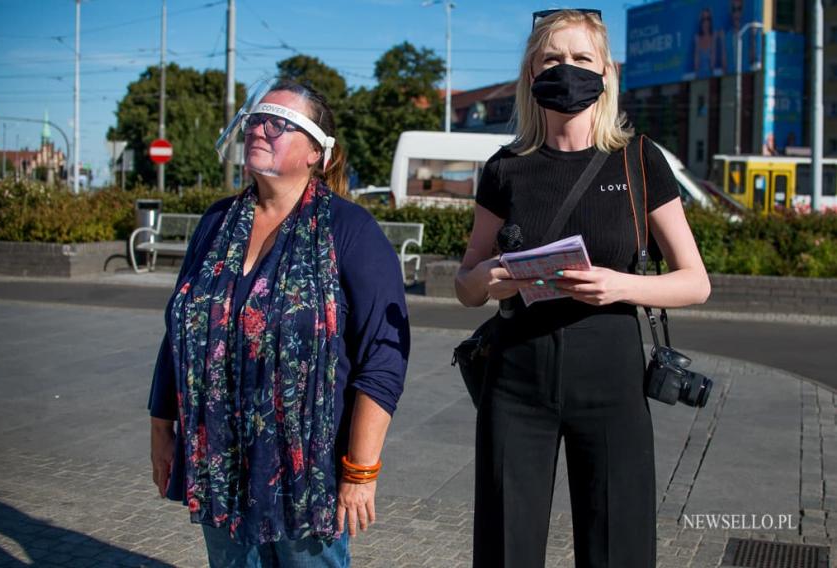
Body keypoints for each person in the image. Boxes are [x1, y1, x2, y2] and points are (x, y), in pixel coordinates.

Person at [455, 10, 711, 568]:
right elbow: (466, 284)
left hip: (611, 379)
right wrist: (487, 280)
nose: (565, 70)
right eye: (551, 59)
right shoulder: (505, 168)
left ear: (606, 72)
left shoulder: (640, 160)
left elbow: (696, 282)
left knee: (618, 545)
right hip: (517, 380)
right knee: (506, 546)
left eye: (580, 59)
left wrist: (620, 285)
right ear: (530, 72)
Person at [148, 79, 410, 568]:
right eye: (256, 118)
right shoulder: (216, 222)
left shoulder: (350, 231)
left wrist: (361, 471)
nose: (261, 128)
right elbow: (178, 329)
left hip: (304, 477)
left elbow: (383, 355)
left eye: (281, 122)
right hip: (218, 464)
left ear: (318, 153)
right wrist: (162, 427)